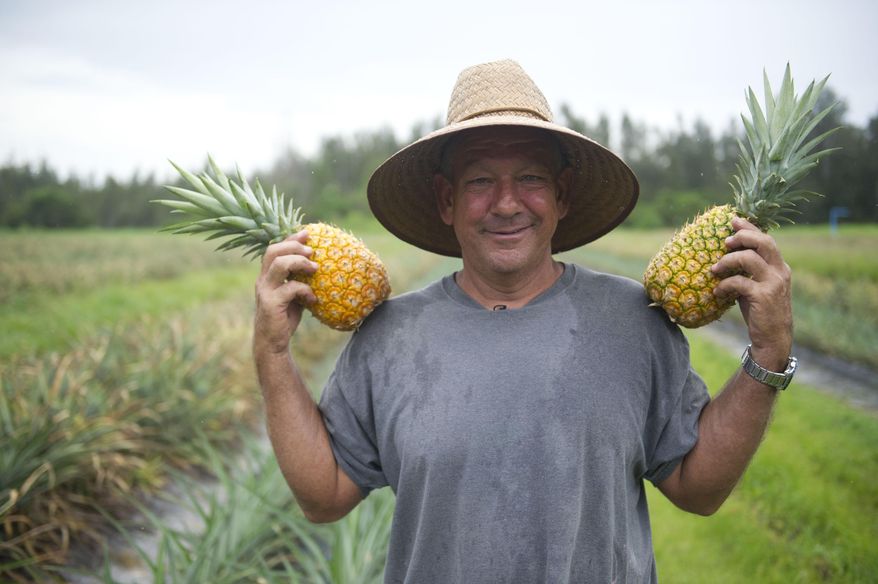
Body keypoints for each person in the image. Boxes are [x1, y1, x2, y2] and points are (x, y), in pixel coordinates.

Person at [253, 60, 796, 583]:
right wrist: (273, 356)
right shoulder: (390, 336)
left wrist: (768, 354)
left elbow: (697, 490)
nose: (507, 203)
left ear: (561, 194)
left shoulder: (636, 322)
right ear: (447, 199)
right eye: (481, 181)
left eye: (531, 178)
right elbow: (323, 497)